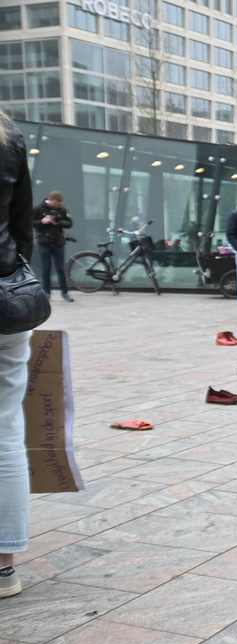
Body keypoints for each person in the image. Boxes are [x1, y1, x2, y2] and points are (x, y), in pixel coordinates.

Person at [0, 107, 35, 599]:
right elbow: (22, 224)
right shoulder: (8, 135)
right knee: (5, 425)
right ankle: (3, 566)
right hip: (5, 295)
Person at [31, 190, 73, 302]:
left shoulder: (61, 209)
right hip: (44, 242)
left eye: (59, 204)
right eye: (56, 203)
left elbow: (69, 223)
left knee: (60, 269)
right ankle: (46, 292)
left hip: (58, 242)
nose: (58, 205)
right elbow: (30, 222)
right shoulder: (38, 209)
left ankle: (65, 292)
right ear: (51, 200)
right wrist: (42, 221)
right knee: (46, 269)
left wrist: (58, 223)